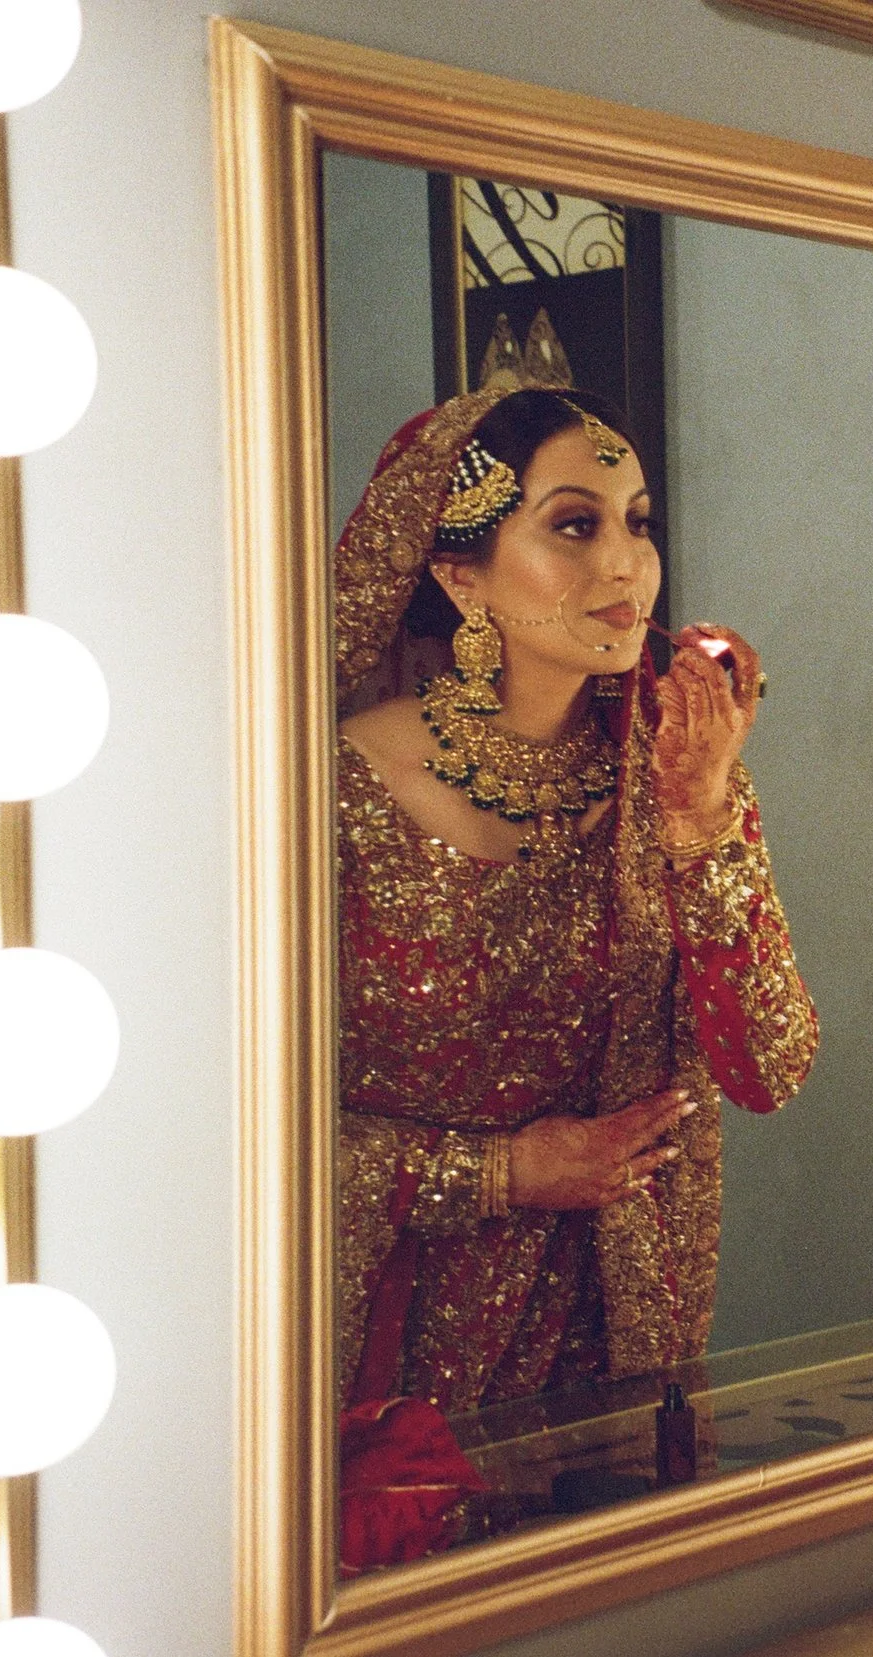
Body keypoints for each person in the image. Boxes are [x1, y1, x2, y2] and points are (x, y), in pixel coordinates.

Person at [328, 385, 818, 1567]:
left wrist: (702, 827)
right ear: (459, 576)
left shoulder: (670, 769)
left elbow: (771, 1064)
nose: (628, 565)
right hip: (383, 1333)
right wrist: (502, 1171)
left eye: (638, 520)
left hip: (612, 1320)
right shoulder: (329, 791)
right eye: (573, 523)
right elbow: (231, 1140)